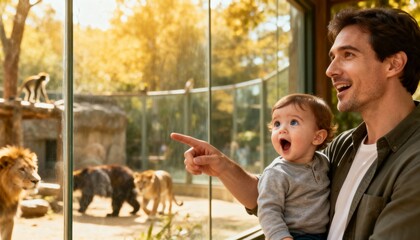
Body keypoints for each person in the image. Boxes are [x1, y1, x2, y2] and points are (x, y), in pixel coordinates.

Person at [170, 7, 420, 239]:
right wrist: (222, 166)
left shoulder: (414, 161)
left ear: (393, 64)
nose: (330, 70)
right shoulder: (344, 147)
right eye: (333, 57)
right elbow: (282, 192)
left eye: (348, 55)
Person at [258, 94, 336, 240]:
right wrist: (281, 237)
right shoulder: (276, 172)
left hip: (325, 234)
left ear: (317, 137)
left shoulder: (323, 162)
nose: (282, 129)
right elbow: (268, 210)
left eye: (293, 122)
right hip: (293, 235)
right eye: (277, 124)